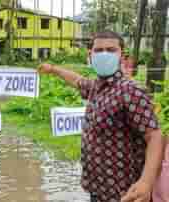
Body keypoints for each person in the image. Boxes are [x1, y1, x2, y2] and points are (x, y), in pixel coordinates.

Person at [38, 31, 166, 202]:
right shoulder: (96, 87)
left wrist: (146, 182)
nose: (104, 54)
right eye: (99, 50)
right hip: (98, 189)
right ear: (90, 55)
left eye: (111, 50)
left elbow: (155, 136)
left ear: (121, 55)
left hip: (125, 194)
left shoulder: (131, 91)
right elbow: (77, 81)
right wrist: (53, 69)